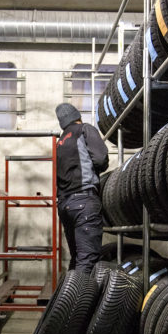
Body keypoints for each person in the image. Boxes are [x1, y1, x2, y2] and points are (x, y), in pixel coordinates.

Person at [54, 103, 108, 274]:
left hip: (64, 205)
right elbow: (100, 159)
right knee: (87, 261)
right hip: (84, 201)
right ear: (78, 116)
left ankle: (69, 292)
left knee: (77, 258)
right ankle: (79, 293)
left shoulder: (59, 142)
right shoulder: (84, 129)